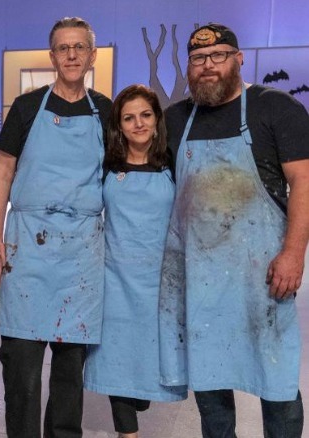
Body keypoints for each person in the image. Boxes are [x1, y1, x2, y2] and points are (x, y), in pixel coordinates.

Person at [159, 23, 309, 438]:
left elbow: (305, 182)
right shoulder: (176, 119)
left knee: (276, 383)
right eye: (198, 59)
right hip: (199, 280)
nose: (208, 66)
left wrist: (294, 254)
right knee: (210, 387)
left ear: (239, 59)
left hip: (262, 276)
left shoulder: (274, 108)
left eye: (218, 56)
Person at [0, 17, 112, 438]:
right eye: (64, 48)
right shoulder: (27, 108)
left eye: (80, 47)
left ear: (92, 54)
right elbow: (4, 170)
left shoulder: (107, 112)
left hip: (81, 253)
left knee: (68, 375)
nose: (72, 55)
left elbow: (118, 179)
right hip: (28, 245)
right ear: (52, 56)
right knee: (21, 369)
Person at [83, 85, 187, 438]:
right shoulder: (106, 165)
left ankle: (141, 399)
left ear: (157, 121)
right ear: (119, 126)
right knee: (118, 360)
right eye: (129, 118)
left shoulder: (173, 163)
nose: (138, 123)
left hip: (160, 280)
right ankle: (128, 434)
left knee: (147, 366)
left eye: (145, 115)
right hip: (115, 278)